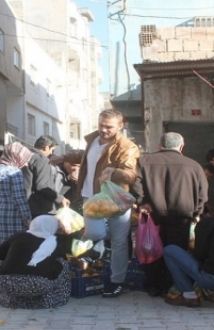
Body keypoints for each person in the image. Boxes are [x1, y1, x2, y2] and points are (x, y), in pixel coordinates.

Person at [133, 132, 209, 297]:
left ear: (160, 145)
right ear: (181, 147)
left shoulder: (144, 161)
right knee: (175, 251)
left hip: (153, 213)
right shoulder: (194, 165)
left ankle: (153, 285)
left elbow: (135, 182)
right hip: (182, 216)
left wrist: (142, 201)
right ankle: (169, 285)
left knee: (152, 248)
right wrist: (198, 212)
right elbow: (203, 193)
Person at [77, 109, 140, 298]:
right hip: (91, 197)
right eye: (101, 125)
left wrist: (114, 171)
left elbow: (131, 174)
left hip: (115, 199)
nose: (103, 129)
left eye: (109, 126)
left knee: (120, 242)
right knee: (95, 233)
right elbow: (85, 158)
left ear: (120, 126)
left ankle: (117, 281)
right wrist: (62, 157)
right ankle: (104, 247)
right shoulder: (92, 141)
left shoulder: (127, 147)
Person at [0, 215, 70, 309]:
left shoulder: (18, 236)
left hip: (6, 282)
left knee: (0, 263)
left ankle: (8, 300)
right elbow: (62, 259)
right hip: (38, 285)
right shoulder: (53, 242)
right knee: (63, 263)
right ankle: (56, 298)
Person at [0, 142, 33, 247]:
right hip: (12, 219)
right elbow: (19, 198)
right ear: (16, 157)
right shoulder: (14, 172)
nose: (25, 163)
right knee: (12, 249)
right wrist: (27, 218)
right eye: (24, 159)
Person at [23, 135, 68, 217]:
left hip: (26, 206)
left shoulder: (25, 157)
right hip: (40, 208)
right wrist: (60, 198)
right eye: (52, 150)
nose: (51, 153)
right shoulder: (42, 159)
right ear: (46, 147)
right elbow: (42, 186)